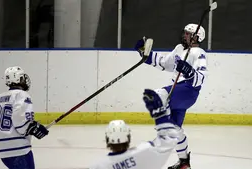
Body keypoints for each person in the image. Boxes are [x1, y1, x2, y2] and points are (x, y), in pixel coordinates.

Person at [134, 23, 208, 169]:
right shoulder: (180, 49)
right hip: (177, 92)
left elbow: (201, 77)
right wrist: (145, 54)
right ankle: (184, 163)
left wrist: (189, 71)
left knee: (158, 95)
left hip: (188, 90)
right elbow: (164, 63)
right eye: (185, 33)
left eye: (188, 33)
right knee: (175, 129)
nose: (185, 35)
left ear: (196, 37)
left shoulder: (198, 52)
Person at [89, 88, 182, 169]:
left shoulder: (99, 166)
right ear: (128, 137)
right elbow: (170, 138)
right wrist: (160, 115)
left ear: (107, 140)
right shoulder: (145, 153)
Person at [0, 66, 49, 169]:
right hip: (16, 147)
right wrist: (33, 128)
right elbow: (20, 120)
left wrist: (33, 127)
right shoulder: (22, 95)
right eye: (23, 78)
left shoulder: (0, 97)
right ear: (19, 79)